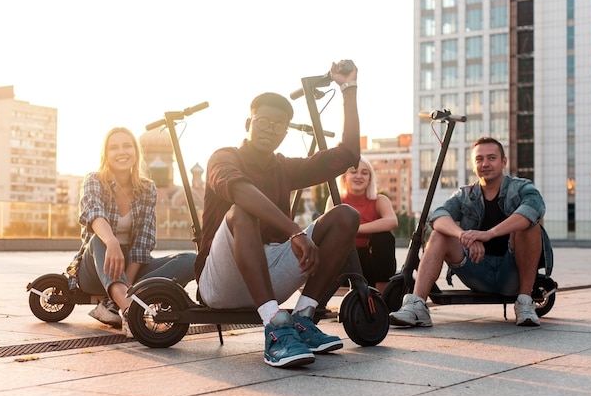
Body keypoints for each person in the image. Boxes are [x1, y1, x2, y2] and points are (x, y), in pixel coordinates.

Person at [194, 60, 361, 368]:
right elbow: (242, 192)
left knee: (345, 215)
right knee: (242, 211)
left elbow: (349, 154)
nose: (269, 130)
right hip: (221, 280)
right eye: (263, 122)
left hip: (270, 274)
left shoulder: (284, 167)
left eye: (278, 126)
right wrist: (294, 231)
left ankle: (302, 318)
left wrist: (348, 89)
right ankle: (275, 327)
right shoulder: (223, 157)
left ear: (286, 131)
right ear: (248, 123)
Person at [389, 136, 552, 328]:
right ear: (473, 165)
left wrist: (488, 234)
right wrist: (463, 236)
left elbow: (534, 208)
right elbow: (438, 216)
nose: (485, 163)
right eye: (479, 159)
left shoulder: (521, 187)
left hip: (512, 274)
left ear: (503, 162)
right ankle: (417, 306)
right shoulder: (465, 194)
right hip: (477, 270)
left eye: (491, 158)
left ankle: (525, 304)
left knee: (530, 226)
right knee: (441, 233)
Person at [69, 127, 195, 337]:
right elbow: (93, 215)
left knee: (191, 260)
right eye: (114, 148)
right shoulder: (94, 180)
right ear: (105, 154)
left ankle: (119, 301)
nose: (121, 152)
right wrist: (111, 241)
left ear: (136, 152)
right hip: (96, 265)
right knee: (98, 241)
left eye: (127, 146)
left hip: (131, 267)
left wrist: (127, 284)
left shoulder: (147, 188)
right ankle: (129, 309)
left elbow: (143, 243)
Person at [326, 155, 398, 292]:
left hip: (371, 265)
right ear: (344, 177)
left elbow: (392, 221)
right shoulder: (335, 200)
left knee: (384, 238)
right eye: (354, 172)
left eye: (364, 173)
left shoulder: (380, 200)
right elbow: (329, 230)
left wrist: (356, 229)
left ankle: (382, 295)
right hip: (345, 264)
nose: (359, 176)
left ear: (370, 179)